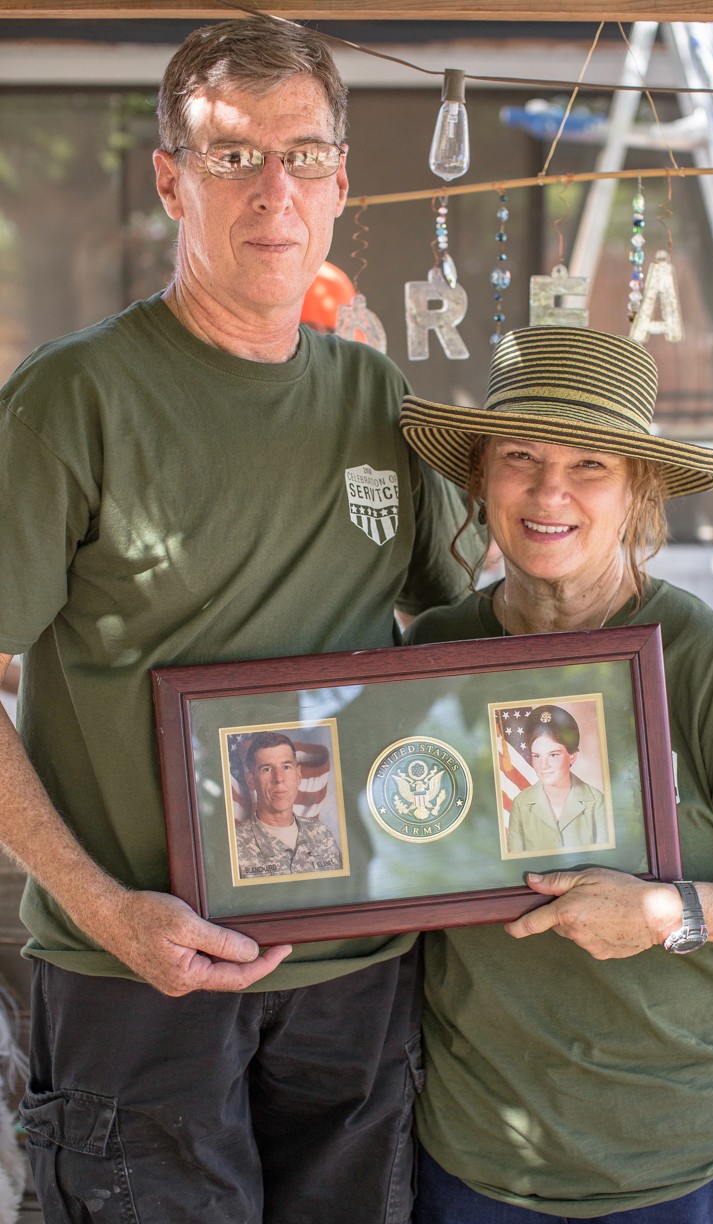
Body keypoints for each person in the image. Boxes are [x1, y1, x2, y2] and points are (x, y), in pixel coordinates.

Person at [0, 16, 478, 1224]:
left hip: (357, 976)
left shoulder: (376, 396)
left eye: (303, 155)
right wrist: (104, 909)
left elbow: (477, 634)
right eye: (233, 157)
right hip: (137, 976)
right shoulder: (73, 398)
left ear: (341, 180)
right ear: (172, 181)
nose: (276, 191)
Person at [399, 325, 713, 1222]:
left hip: (684, 1158)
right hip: (478, 1157)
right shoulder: (433, 654)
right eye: (520, 456)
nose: (549, 490)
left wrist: (673, 912)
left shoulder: (709, 662)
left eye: (590, 463)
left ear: (639, 491)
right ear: (480, 478)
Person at [236, 731, 342, 877]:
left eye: (286, 767)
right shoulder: (235, 846)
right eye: (267, 769)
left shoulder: (322, 834)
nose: (279, 778)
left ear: (298, 775)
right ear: (251, 781)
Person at [507, 704, 605, 852]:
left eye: (553, 755)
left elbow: (606, 858)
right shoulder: (520, 804)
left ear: (572, 756)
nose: (543, 765)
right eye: (537, 756)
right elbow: (516, 860)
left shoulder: (596, 802)